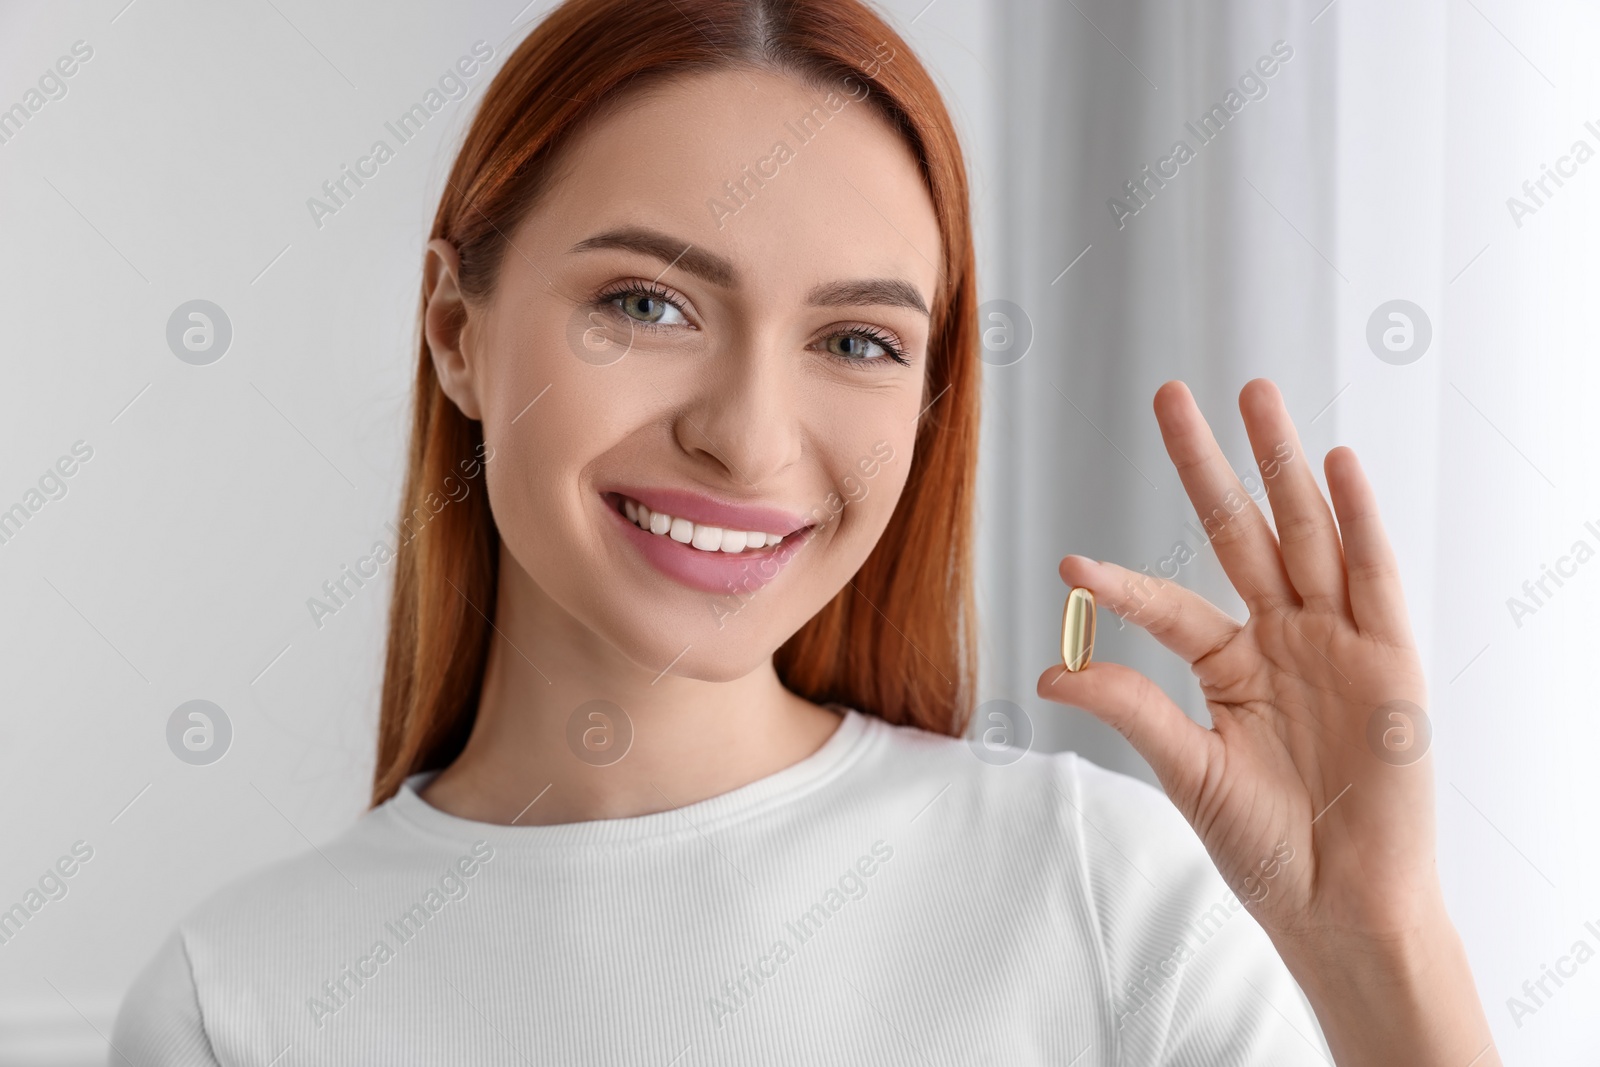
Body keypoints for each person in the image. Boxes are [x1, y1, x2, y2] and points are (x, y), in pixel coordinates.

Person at [112, 0, 1498, 1063]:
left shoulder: (1095, 891)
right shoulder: (239, 997)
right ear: (456, 334)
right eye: (648, 304)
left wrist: (1383, 957)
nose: (750, 437)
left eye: (855, 338)